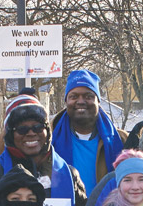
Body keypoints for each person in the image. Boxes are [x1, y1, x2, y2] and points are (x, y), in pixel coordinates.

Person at [51, 69, 123, 197]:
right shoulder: (49, 139)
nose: (81, 101)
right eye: (74, 96)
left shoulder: (121, 140)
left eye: (88, 96)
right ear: (66, 101)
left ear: (98, 101)